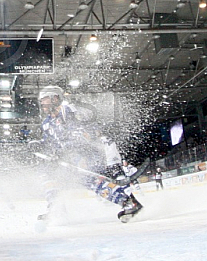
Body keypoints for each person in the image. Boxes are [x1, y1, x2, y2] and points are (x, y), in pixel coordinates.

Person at [31, 85, 143, 223]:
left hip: (88, 152)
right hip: (70, 156)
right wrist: (40, 146)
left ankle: (129, 203)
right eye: (41, 100)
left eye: (45, 99)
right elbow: (50, 144)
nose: (42, 103)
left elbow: (87, 133)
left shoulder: (70, 111)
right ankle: (56, 209)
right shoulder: (47, 123)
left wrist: (73, 149)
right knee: (48, 175)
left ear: (55, 98)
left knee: (89, 179)